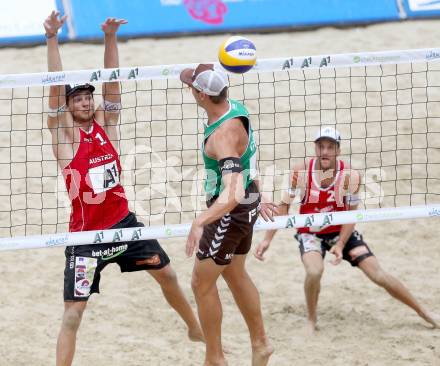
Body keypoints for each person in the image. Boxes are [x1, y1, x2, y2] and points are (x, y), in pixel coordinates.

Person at [44, 11, 203, 366]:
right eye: (78, 99)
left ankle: (194, 328)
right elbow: (54, 91)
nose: (85, 101)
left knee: (168, 274)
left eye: (89, 97)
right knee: (73, 315)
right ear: (69, 107)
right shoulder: (64, 138)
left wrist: (110, 38)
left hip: (123, 225)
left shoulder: (107, 126)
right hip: (85, 237)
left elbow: (113, 84)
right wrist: (52, 38)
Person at [254, 126, 439, 334]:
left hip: (341, 232)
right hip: (310, 232)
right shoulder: (300, 172)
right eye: (321, 146)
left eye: (330, 147)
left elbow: (352, 215)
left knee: (377, 274)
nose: (325, 151)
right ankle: (311, 319)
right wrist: (268, 239)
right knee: (314, 271)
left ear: (338, 151)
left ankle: (424, 312)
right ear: (315, 148)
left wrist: (341, 244)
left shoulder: (350, 175)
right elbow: (284, 206)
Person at [180, 64, 275, 366]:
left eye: (192, 87)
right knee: (235, 273)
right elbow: (249, 158)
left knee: (201, 283)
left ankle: (214, 358)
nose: (189, 90)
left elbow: (231, 194)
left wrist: (200, 220)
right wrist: (258, 190)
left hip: (229, 211)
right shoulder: (235, 107)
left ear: (203, 95)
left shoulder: (222, 135)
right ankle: (260, 344)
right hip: (248, 200)